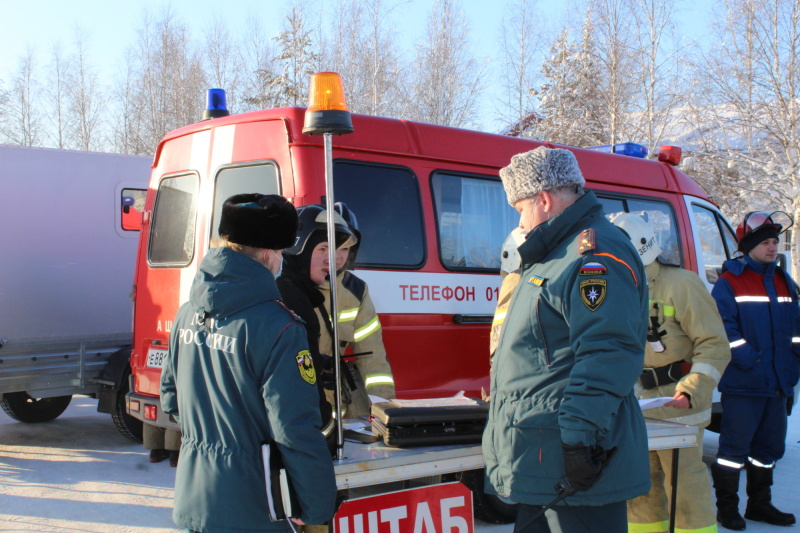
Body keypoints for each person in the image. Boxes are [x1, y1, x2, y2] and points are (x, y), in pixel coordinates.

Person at [482, 146, 651, 533]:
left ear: (543, 199)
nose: (521, 223)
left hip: (570, 460)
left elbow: (607, 352)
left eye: (520, 209)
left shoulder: (593, 255)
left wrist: (579, 440)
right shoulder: (552, 254)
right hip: (543, 458)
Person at [160, 193, 337, 533]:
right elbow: (294, 428)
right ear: (270, 253)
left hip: (194, 497)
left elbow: (171, 398)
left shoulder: (187, 313)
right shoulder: (280, 326)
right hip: (255, 504)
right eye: (283, 252)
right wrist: (316, 504)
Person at [614, 213, 730, 533]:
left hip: (678, 398)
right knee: (641, 484)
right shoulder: (620, 286)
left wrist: (691, 388)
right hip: (638, 400)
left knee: (684, 484)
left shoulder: (682, 284)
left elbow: (714, 345)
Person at [710, 211, 799, 530]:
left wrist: (796, 355)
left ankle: (759, 505)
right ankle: (727, 509)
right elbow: (723, 328)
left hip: (777, 384)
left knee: (769, 449)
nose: (773, 247)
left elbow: (796, 325)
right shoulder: (729, 281)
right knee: (733, 450)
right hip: (745, 384)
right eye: (766, 242)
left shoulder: (782, 280)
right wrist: (747, 357)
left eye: (775, 242)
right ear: (749, 246)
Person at [314, 202, 395, 418]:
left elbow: (373, 357)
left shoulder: (356, 291)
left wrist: (384, 409)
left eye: (345, 248)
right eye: (329, 246)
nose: (337, 255)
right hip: (302, 399)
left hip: (336, 404)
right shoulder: (289, 286)